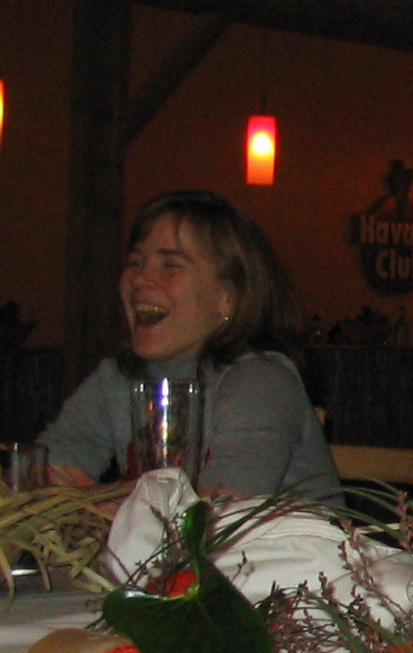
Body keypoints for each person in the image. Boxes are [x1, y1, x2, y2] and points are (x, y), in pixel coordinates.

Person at [43, 190, 338, 499]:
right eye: (135, 262)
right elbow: (45, 476)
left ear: (227, 298)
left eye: (170, 266)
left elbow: (221, 509)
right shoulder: (117, 378)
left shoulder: (262, 380)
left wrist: (93, 499)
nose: (140, 278)